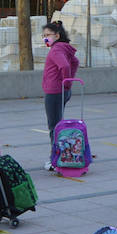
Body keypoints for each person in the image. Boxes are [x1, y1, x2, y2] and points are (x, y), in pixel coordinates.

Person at [41, 21, 79, 169]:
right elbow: (75, 62)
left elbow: (65, 65)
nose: (45, 38)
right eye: (43, 35)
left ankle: (55, 159)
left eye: (48, 35)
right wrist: (68, 84)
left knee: (54, 126)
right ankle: (60, 155)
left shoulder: (56, 50)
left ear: (57, 35)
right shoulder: (64, 47)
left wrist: (67, 83)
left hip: (54, 91)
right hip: (61, 91)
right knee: (58, 124)